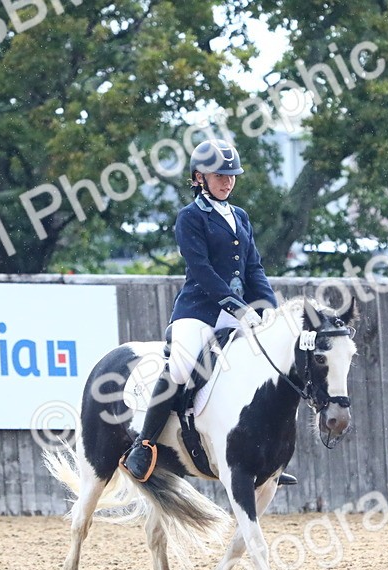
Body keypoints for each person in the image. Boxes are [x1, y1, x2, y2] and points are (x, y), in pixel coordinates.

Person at [120, 138, 295, 486]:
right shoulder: (190, 218)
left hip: (238, 311)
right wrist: (236, 306)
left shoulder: (240, 217)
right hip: (198, 310)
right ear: (199, 177)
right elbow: (201, 270)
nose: (227, 182)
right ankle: (144, 444)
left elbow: (254, 269)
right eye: (219, 176)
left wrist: (271, 311)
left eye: (231, 176)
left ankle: (266, 455)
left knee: (265, 364)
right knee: (183, 368)